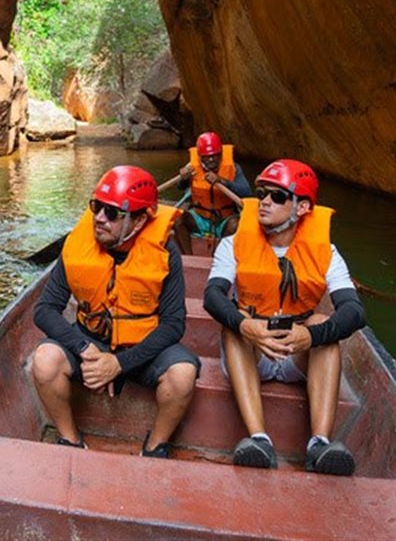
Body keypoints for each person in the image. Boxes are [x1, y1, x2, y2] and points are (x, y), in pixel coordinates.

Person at [202, 159, 365, 475]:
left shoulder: (326, 252)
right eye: (262, 193)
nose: (264, 201)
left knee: (323, 326)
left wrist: (310, 336)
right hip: (253, 350)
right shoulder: (232, 243)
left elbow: (354, 311)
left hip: (297, 352)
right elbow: (212, 296)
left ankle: (319, 444)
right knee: (232, 324)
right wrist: (246, 326)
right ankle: (258, 439)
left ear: (302, 207)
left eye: (277, 196)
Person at [31, 165, 200, 458]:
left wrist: (119, 363)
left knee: (183, 374)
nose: (99, 218)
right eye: (97, 207)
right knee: (44, 361)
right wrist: (85, 349)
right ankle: (70, 440)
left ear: (140, 220)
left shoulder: (165, 252)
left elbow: (173, 324)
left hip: (143, 348)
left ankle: (155, 446)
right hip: (90, 342)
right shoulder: (78, 245)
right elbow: (44, 310)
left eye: (111, 213)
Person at [175, 131, 251, 252]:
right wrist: (183, 179)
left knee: (236, 226)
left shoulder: (234, 168)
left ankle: (221, 256)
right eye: (206, 156)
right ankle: (189, 259)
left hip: (224, 220)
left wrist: (222, 181)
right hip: (200, 218)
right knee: (178, 220)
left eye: (215, 155)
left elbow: (246, 192)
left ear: (221, 154)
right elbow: (180, 187)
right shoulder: (192, 167)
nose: (211, 159)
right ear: (200, 156)